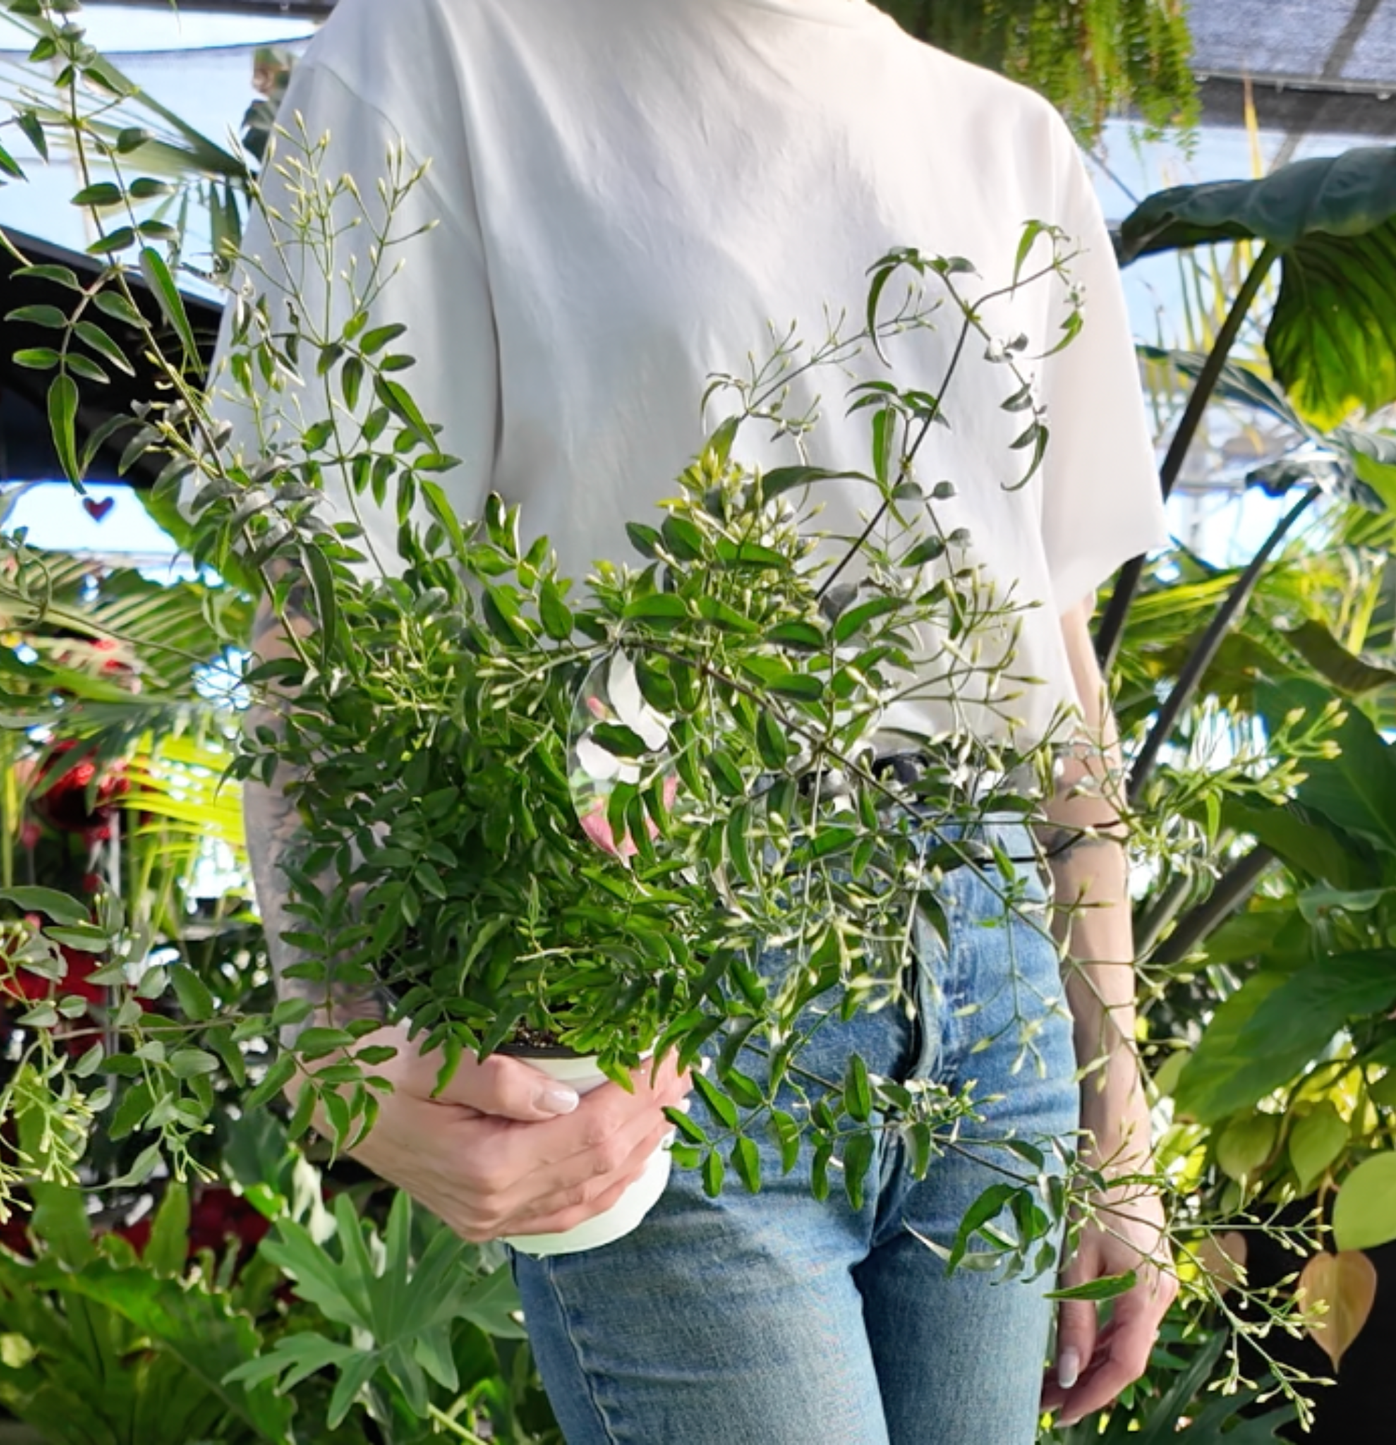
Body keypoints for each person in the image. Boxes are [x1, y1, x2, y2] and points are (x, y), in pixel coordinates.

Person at [226, 1, 1177, 1441]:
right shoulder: (444, 50)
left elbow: (1050, 671)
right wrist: (335, 1033)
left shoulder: (1011, 143)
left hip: (995, 994)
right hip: (660, 969)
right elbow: (326, 613)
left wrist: (1118, 1123)